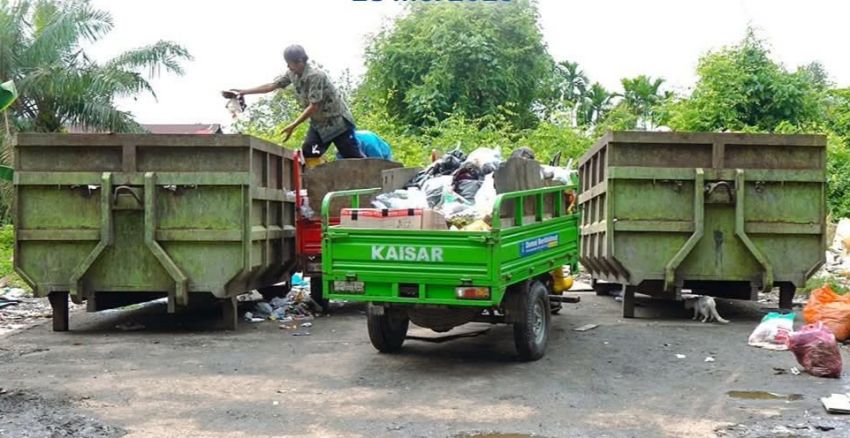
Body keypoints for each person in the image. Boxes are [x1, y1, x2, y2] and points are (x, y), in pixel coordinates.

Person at [227, 45, 362, 167]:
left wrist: (293, 125)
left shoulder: (316, 76)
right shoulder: (292, 74)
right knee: (309, 152)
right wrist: (243, 91)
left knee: (354, 158)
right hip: (319, 126)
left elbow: (314, 105)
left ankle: (376, 186)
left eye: (290, 64)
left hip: (338, 123)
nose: (288, 67)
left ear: (300, 62)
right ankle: (318, 184)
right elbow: (272, 86)